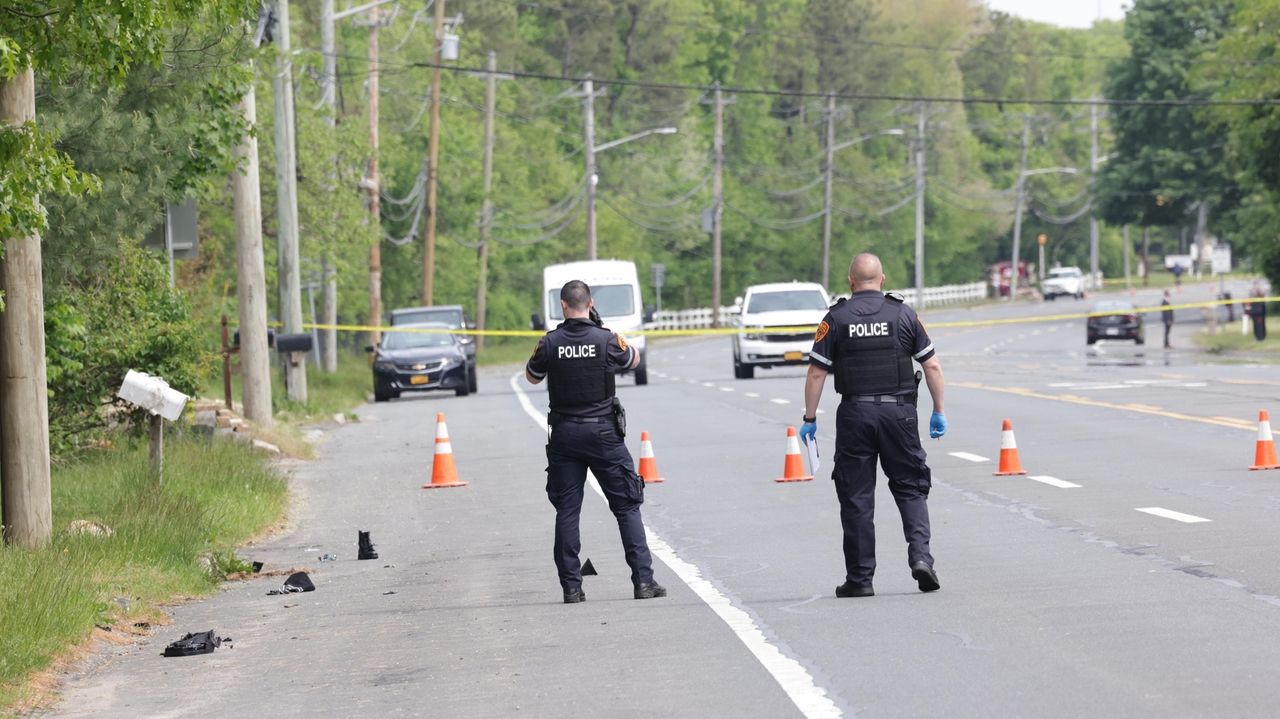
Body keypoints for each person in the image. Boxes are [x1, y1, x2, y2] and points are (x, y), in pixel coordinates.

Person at [800, 253, 946, 598]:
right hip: (900, 415)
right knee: (911, 487)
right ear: (882, 279)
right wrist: (938, 410)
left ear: (851, 281)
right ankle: (921, 558)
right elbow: (932, 366)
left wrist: (810, 418)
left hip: (856, 414)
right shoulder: (903, 314)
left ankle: (860, 579)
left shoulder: (836, 318)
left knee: (856, 496)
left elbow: (817, 372)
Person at [525, 280, 665, 604]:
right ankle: (644, 582)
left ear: (563, 305)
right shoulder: (606, 339)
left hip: (565, 435)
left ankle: (571, 588)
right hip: (603, 434)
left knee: (567, 510)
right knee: (627, 507)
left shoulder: (549, 342)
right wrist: (605, 331)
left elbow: (532, 376)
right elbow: (633, 361)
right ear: (590, 304)